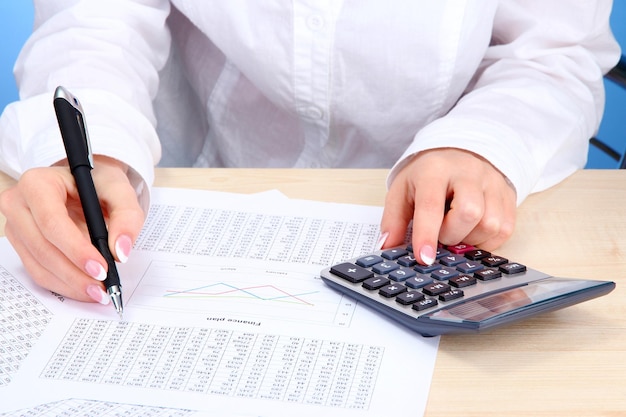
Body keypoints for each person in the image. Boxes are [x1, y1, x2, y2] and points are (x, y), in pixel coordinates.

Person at [0, 1, 620, 305]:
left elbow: (553, 52)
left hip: (437, 223)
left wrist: (484, 144)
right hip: (191, 191)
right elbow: (94, 19)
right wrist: (96, 151)